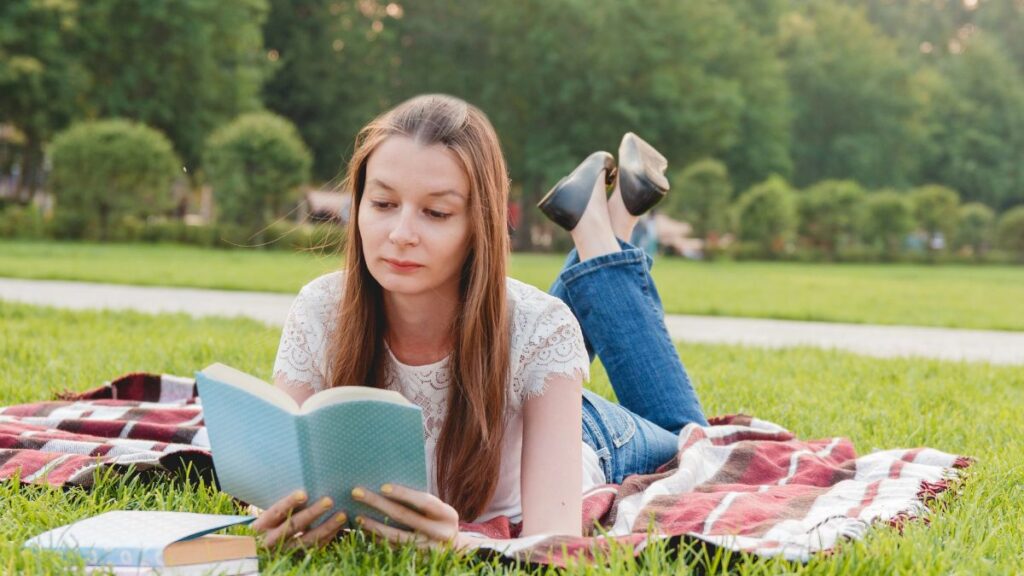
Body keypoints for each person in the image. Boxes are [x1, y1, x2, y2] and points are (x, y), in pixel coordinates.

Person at [250, 95, 706, 551]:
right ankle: (610, 221)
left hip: (585, 431)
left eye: (436, 213)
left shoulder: (540, 328)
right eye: (384, 203)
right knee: (530, 326)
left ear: (479, 223)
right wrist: (275, 517)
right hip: (524, 377)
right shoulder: (321, 309)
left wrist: (458, 546)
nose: (400, 234)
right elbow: (277, 482)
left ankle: (599, 228)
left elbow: (551, 546)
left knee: (686, 436)